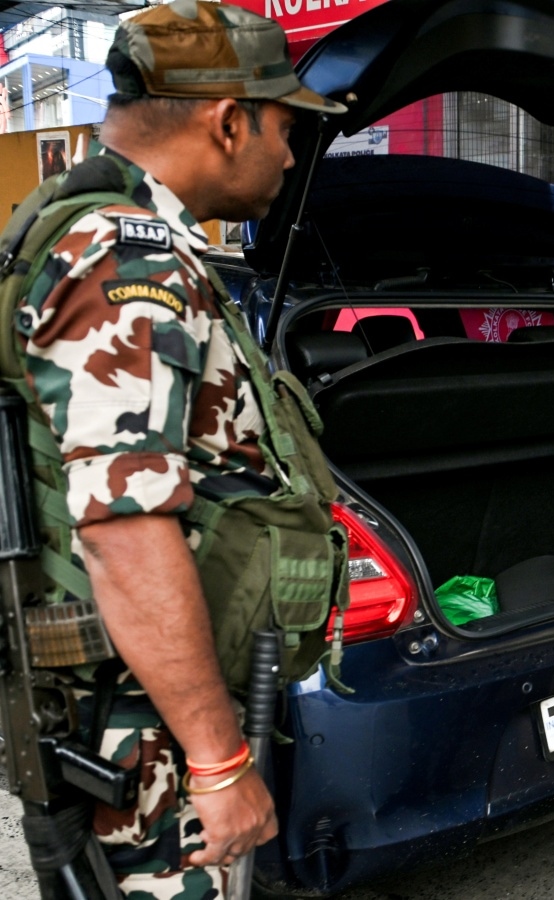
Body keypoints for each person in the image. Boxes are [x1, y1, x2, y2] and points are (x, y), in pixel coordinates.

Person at [2, 2, 347, 895]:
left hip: (130, 703)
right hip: (137, 729)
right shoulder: (128, 257)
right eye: (287, 128)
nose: (290, 155)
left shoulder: (100, 230)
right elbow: (125, 525)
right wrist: (218, 762)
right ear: (229, 121)